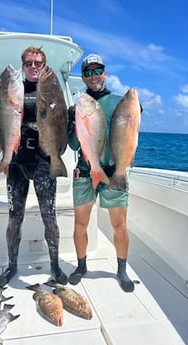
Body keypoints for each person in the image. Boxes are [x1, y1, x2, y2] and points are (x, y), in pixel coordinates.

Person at [0, 46, 68, 287]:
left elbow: (62, 122)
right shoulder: (14, 89)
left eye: (38, 63)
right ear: (23, 65)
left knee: (50, 217)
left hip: (43, 161)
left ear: (44, 65)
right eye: (29, 63)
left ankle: (55, 266)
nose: (33, 67)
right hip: (16, 162)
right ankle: (12, 266)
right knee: (15, 217)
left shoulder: (50, 90)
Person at [68, 54, 139, 292]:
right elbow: (73, 145)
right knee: (80, 223)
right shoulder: (76, 107)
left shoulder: (120, 102)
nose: (93, 76)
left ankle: (121, 270)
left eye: (97, 71)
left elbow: (131, 130)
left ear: (105, 73)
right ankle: (81, 266)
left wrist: (135, 109)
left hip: (113, 171)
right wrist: (72, 123)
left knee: (119, 224)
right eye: (87, 73)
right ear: (83, 77)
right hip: (86, 171)